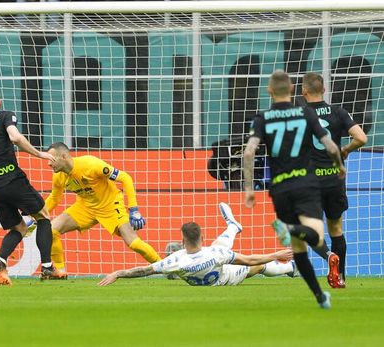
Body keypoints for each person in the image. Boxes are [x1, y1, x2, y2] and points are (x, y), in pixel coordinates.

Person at [243, 70, 346, 309]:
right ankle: (290, 228)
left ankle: (320, 296)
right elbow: (329, 144)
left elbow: (249, 152)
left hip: (279, 188)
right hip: (305, 183)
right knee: (316, 236)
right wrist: (339, 166)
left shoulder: (263, 117)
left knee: (298, 248)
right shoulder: (305, 112)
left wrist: (249, 189)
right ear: (292, 90)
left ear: (269, 91)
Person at [0, 87, 63, 285]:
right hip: (12, 178)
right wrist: (39, 153)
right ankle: (46, 267)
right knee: (43, 216)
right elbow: (15, 137)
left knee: (19, 227)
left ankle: (0, 262)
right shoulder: (5, 116)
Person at [98, 203, 297, 287]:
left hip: (217, 272)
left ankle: (234, 227)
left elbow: (144, 270)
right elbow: (250, 258)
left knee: (224, 247)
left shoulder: (175, 260)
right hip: (225, 279)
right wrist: (275, 254)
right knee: (257, 266)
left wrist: (117, 273)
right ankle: (290, 267)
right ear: (202, 238)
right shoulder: (215, 254)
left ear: (182, 241)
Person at [44, 142, 161, 278]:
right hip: (86, 207)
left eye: (51, 159)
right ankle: (59, 271)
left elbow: (125, 178)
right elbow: (54, 198)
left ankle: (165, 266)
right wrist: (36, 216)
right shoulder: (58, 177)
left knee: (134, 243)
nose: (48, 164)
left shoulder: (91, 165)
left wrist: (134, 209)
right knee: (50, 230)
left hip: (111, 205)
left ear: (64, 156)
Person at [302, 72, 368, 288]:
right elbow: (361, 138)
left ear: (304, 91)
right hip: (333, 179)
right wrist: (345, 150)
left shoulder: (299, 115)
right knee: (336, 229)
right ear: (324, 90)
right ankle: (339, 277)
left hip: (310, 181)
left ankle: (329, 256)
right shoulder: (338, 112)